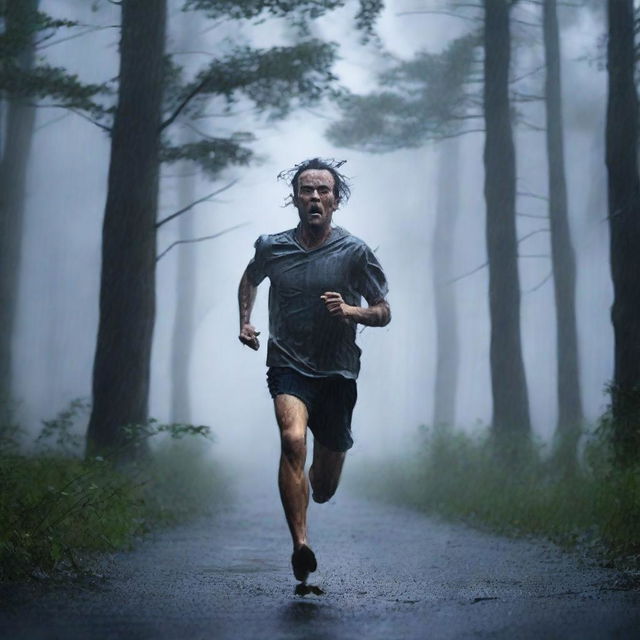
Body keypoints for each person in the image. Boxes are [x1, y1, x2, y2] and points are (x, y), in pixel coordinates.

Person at [237, 158, 391, 583]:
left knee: (323, 487)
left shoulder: (356, 252)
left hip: (338, 373)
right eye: (307, 190)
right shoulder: (273, 246)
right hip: (288, 363)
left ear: (336, 200)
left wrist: (350, 310)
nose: (315, 197)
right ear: (295, 198)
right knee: (291, 440)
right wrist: (245, 321)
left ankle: (314, 490)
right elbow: (249, 279)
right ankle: (300, 544)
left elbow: (383, 312)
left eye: (323, 191)